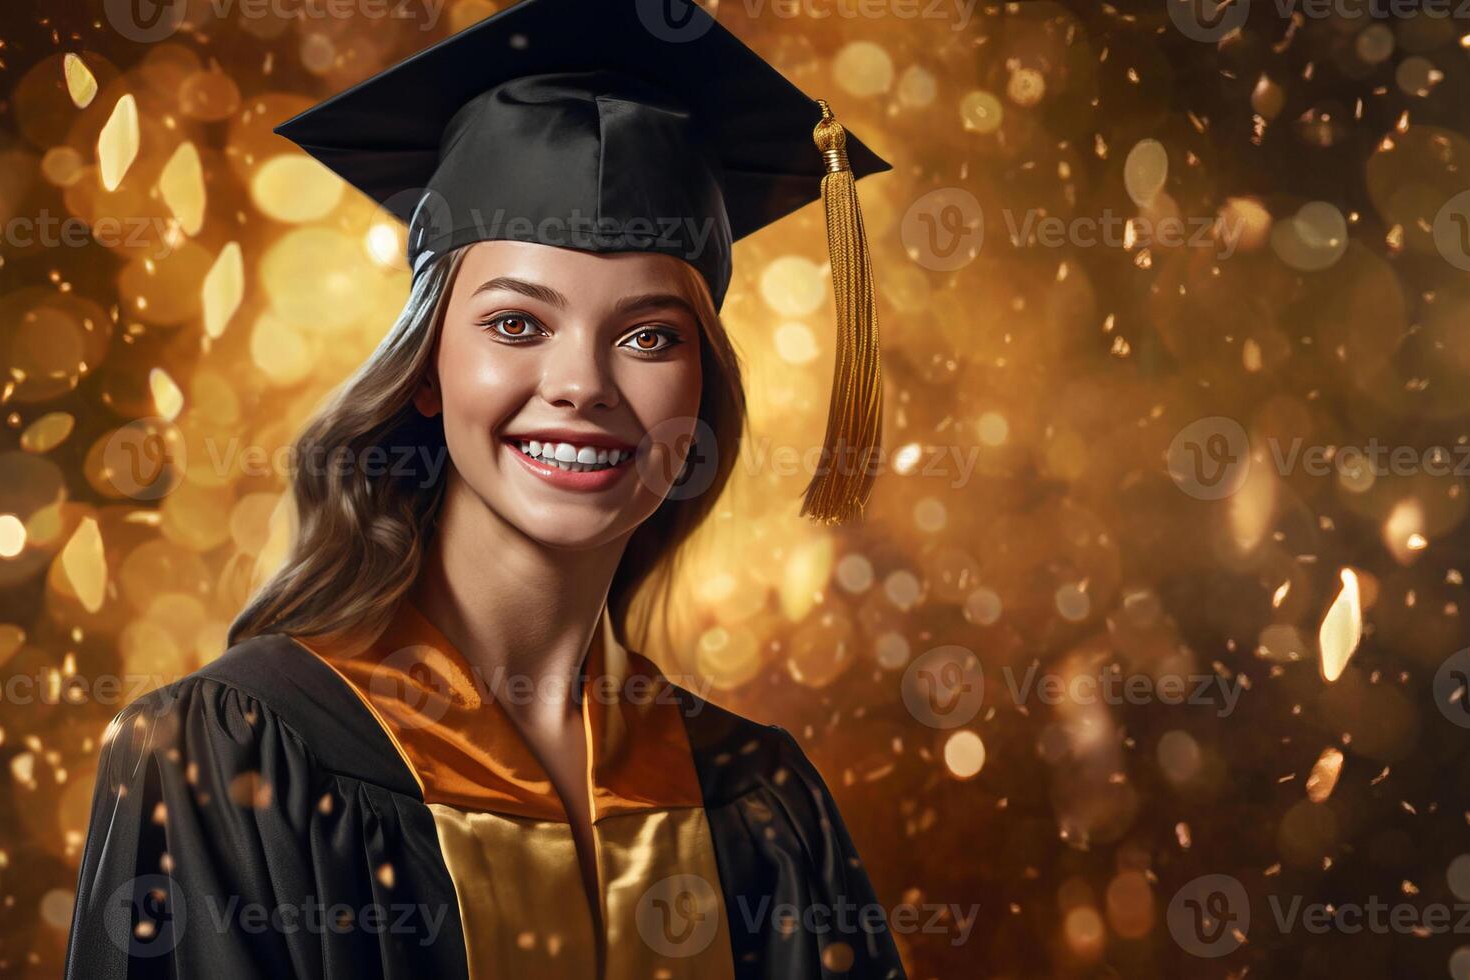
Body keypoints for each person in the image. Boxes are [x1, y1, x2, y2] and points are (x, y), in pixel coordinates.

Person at [64, 0, 902, 976]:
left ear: (701, 389)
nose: (582, 383)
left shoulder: (760, 802)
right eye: (516, 324)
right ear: (428, 367)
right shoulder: (232, 754)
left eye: (650, 335)